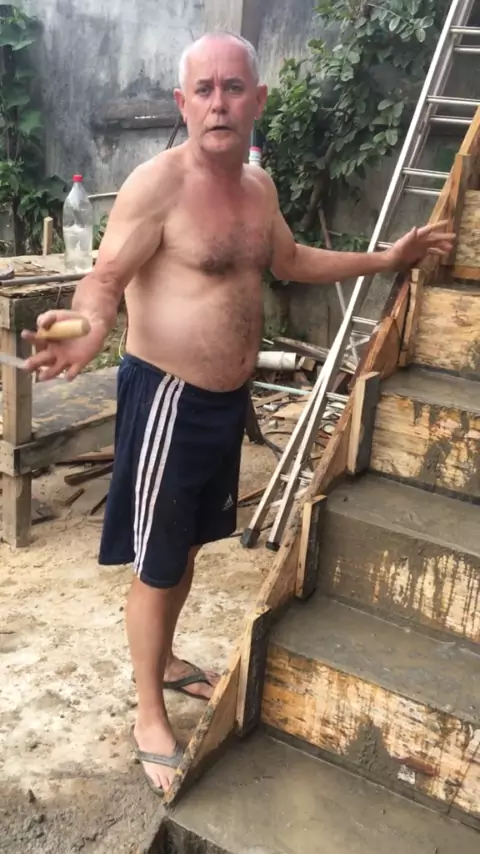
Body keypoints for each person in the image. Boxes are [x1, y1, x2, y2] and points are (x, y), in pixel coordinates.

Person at [22, 31, 455, 795]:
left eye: (232, 88)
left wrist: (387, 258)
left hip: (224, 405)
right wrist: (86, 327)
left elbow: (291, 261)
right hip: (168, 399)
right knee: (158, 563)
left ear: (257, 100)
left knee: (189, 546)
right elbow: (106, 277)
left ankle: (166, 659)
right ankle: (148, 713)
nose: (218, 103)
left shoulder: (259, 189)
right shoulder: (156, 186)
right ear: (182, 103)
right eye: (204, 90)